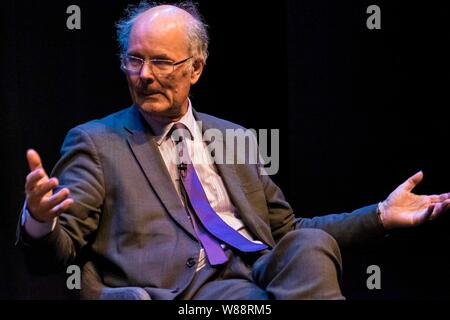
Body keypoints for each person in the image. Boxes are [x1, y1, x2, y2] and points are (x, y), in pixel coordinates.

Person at [17, 1, 450, 300]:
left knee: (310, 246)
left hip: (259, 266)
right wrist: (39, 219)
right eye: (134, 60)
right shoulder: (96, 142)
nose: (144, 75)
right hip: (187, 289)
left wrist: (380, 215)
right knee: (250, 299)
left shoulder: (233, 137)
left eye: (161, 62)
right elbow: (57, 253)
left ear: (196, 68)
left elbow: (288, 229)